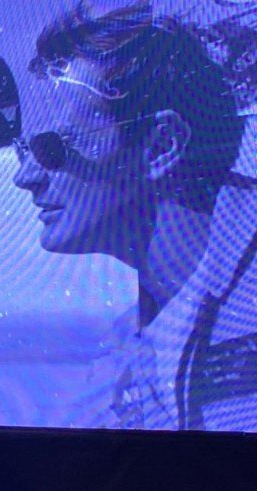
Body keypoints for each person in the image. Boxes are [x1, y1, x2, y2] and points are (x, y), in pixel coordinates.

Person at [13, 3, 253, 430]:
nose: (25, 178)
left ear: (161, 147)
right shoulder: (134, 334)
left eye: (52, 148)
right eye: (24, 150)